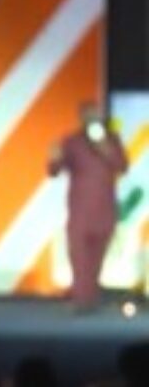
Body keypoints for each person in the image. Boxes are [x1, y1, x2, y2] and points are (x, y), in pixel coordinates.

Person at [49, 101, 129, 313]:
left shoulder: (112, 140)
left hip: (105, 211)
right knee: (79, 257)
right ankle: (81, 301)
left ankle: (88, 299)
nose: (93, 119)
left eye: (96, 115)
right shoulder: (72, 142)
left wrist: (104, 147)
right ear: (81, 119)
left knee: (96, 259)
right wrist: (54, 157)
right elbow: (54, 170)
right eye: (88, 116)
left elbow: (122, 166)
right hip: (80, 211)